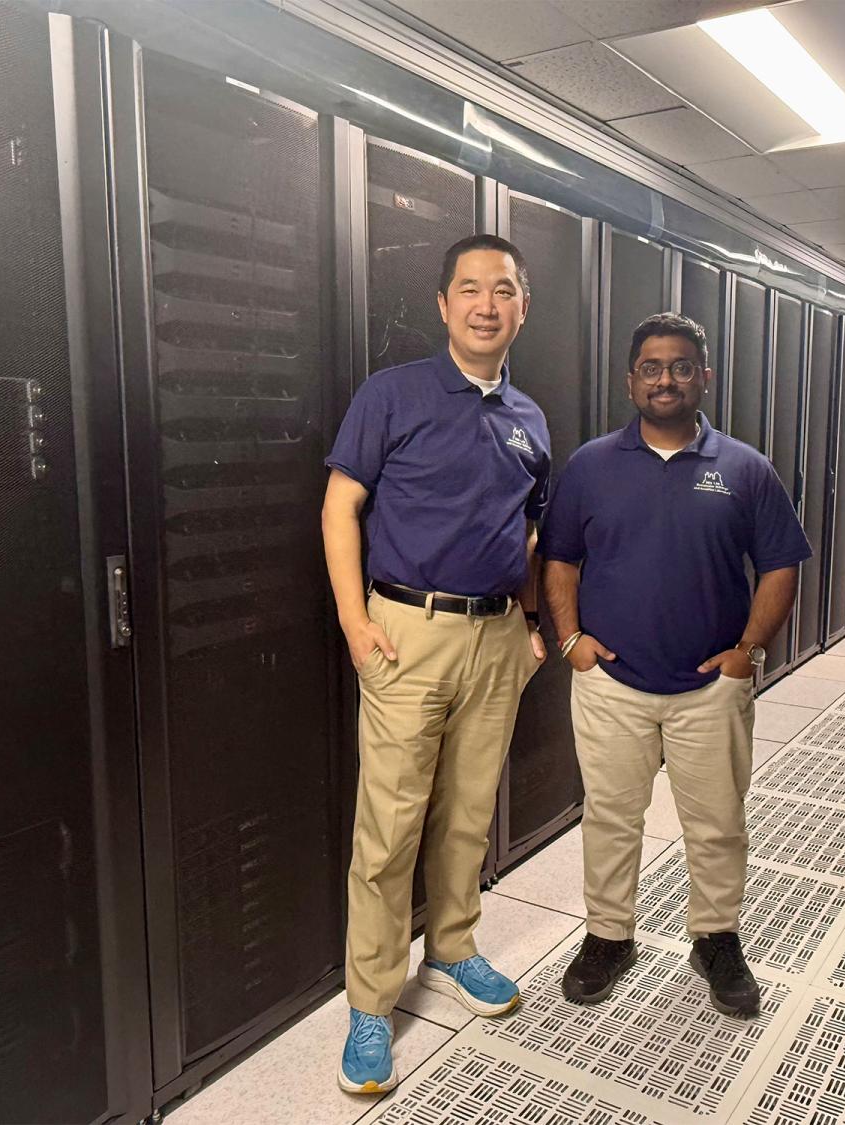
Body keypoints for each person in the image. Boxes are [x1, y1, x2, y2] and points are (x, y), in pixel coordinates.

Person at [322, 234, 550, 1093]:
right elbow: (340, 506)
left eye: (504, 290)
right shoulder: (392, 394)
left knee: (467, 811)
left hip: (497, 637)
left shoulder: (530, 418)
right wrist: (354, 622)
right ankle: (371, 1004)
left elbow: (530, 530)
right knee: (389, 826)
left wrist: (532, 626)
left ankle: (452, 947)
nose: (487, 304)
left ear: (522, 307)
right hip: (406, 633)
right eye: (471, 288)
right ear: (445, 304)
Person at [539, 311, 810, 1017]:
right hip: (611, 684)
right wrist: (571, 642)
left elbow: (781, 564)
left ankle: (715, 939)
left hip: (710, 687)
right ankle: (608, 937)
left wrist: (748, 652)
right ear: (631, 380)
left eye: (681, 366)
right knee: (610, 817)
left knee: (717, 821)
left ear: (704, 377)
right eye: (652, 368)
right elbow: (559, 558)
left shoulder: (745, 468)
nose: (666, 379)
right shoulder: (591, 465)